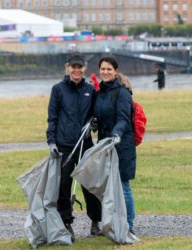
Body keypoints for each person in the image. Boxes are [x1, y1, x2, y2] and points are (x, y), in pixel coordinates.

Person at [46, 53, 102, 242]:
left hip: (85, 145)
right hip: (65, 145)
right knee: (63, 186)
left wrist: (94, 124)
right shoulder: (58, 90)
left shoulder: (90, 90)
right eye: (73, 67)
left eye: (80, 67)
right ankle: (66, 222)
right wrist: (51, 142)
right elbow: (52, 118)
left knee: (90, 184)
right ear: (67, 67)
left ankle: (96, 221)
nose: (76, 70)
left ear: (85, 68)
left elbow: (96, 115)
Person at [93, 56, 137, 236]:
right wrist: (94, 123)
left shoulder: (123, 92)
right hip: (105, 144)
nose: (105, 72)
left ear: (115, 71)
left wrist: (116, 135)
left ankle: (129, 224)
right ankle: (113, 222)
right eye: (102, 69)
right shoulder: (100, 92)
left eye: (109, 69)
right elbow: (100, 114)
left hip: (122, 144)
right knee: (108, 186)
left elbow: (123, 119)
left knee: (123, 185)